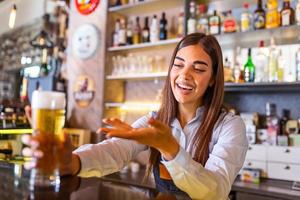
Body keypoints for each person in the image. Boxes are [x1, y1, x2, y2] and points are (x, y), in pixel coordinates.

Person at [22, 33, 248, 200]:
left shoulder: (230, 125)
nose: (184, 75)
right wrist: (72, 162)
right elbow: (116, 149)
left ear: (212, 80)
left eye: (198, 69)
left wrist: (170, 149)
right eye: (178, 65)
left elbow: (216, 191)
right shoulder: (156, 119)